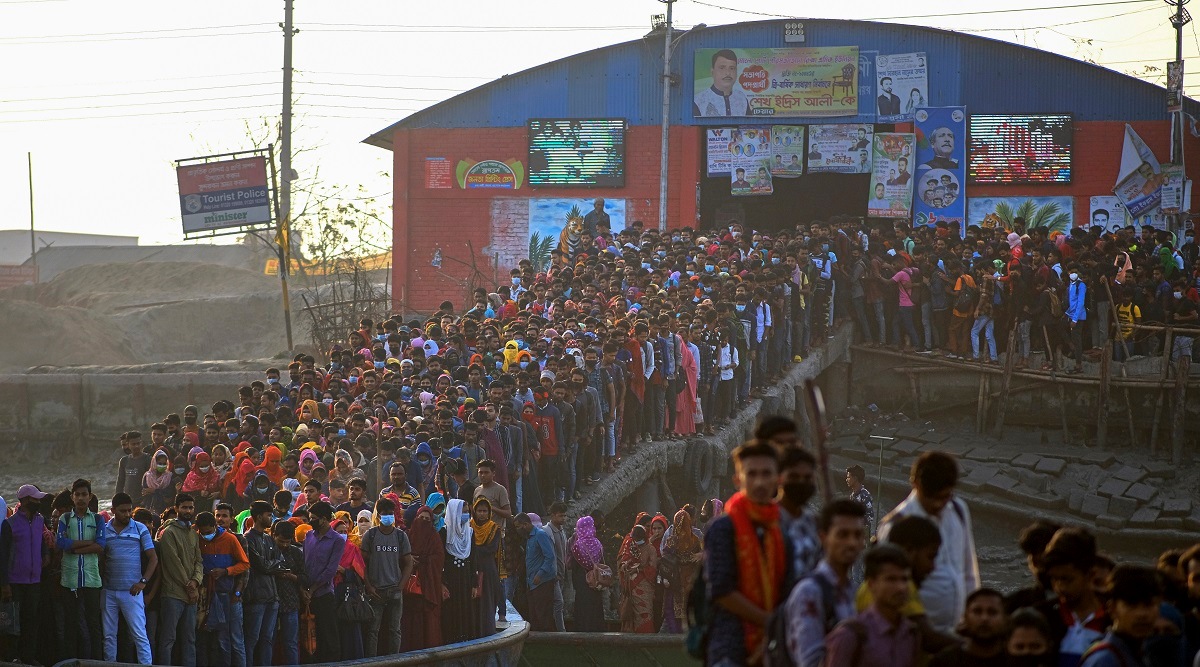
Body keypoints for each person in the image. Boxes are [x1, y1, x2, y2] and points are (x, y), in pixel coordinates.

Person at [704, 440, 789, 666]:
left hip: (777, 645)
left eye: (766, 473)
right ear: (738, 480)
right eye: (751, 474)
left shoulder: (781, 527)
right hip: (731, 646)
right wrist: (770, 622)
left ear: (778, 479)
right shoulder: (723, 528)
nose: (759, 482)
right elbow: (722, 590)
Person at [878, 451, 980, 634]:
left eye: (945, 496)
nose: (938, 504)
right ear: (915, 484)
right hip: (915, 634)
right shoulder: (896, 526)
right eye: (932, 498)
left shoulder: (958, 509)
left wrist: (974, 614)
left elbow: (968, 569)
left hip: (960, 628)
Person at [784, 499, 867, 667]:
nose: (851, 543)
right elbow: (810, 662)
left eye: (857, 535)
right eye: (843, 535)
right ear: (824, 537)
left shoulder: (852, 591)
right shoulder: (809, 592)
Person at [1035, 527, 1108, 666]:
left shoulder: (1112, 618)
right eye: (1055, 579)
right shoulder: (1042, 617)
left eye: (1067, 579)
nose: (1060, 587)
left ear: (1090, 574)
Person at [100, 492, 158, 664]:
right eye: (123, 511)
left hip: (131, 592)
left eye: (129, 511)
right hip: (109, 590)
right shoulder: (104, 529)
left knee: (139, 634)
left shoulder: (140, 528)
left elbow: (153, 558)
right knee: (109, 635)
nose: (127, 515)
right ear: (113, 511)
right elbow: (100, 558)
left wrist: (143, 582)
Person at [56, 478, 104, 660]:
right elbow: (61, 543)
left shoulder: (98, 519)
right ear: (72, 497)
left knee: (94, 625)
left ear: (90, 497)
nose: (81, 498)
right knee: (71, 624)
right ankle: (71, 661)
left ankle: (97, 662)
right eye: (78, 495)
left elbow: (101, 546)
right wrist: (87, 543)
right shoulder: (65, 518)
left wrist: (74, 548)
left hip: (91, 579)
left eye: (85, 494)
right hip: (70, 579)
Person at [1080, 565, 1164, 667]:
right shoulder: (1106, 660)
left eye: (1148, 604)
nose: (1142, 614)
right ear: (1112, 608)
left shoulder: (1143, 652)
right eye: (1131, 605)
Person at [360, 496, 412, 656]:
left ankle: (394, 661)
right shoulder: (371, 535)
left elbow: (409, 563)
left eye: (390, 513)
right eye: (384, 513)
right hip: (375, 592)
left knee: (394, 630)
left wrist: (400, 586)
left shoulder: (400, 536)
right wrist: (368, 586)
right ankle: (372, 662)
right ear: (378, 515)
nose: (388, 516)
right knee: (373, 631)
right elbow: (362, 564)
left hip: (394, 591)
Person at [157, 493, 204, 667]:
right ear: (176, 508)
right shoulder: (168, 532)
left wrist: (196, 581)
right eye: (184, 507)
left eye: (190, 507)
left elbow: (199, 561)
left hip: (191, 594)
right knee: (168, 638)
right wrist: (190, 587)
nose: (188, 510)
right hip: (173, 593)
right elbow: (173, 563)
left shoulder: (193, 533)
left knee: (189, 639)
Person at [303, 500, 345, 663]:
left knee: (329, 637)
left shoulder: (337, 540)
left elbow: (330, 570)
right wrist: (304, 590)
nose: (311, 521)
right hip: (307, 594)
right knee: (311, 638)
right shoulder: (308, 536)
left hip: (323, 594)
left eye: (314, 518)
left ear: (325, 519)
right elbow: (304, 564)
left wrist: (312, 590)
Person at [242, 500, 282, 666]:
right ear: (259, 517)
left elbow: (280, 561)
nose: (271, 518)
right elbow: (262, 565)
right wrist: (273, 566)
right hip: (256, 597)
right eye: (268, 515)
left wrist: (271, 565)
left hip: (272, 598)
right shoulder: (247, 539)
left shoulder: (268, 538)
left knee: (267, 639)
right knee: (252, 639)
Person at [401, 506, 444, 651]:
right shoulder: (407, 535)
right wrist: (409, 559)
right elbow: (400, 556)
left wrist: (424, 561)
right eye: (421, 518)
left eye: (427, 519)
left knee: (426, 621)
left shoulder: (434, 537)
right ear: (415, 519)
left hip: (427, 586)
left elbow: (438, 558)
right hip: (408, 587)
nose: (424, 521)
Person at [928, 588, 1009, 667]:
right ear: (965, 618)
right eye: (977, 611)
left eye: (992, 612)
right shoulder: (943, 662)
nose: (984, 618)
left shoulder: (1016, 660)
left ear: (1005, 619)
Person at [270, 520, 307, 667]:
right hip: (270, 601)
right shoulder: (268, 550)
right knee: (268, 641)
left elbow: (305, 577)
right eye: (281, 541)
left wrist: (292, 577)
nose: (285, 545)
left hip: (291, 602)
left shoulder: (296, 552)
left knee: (291, 642)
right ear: (274, 535)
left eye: (287, 541)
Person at [660, 507, 702, 633]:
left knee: (673, 608)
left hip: (677, 578)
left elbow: (665, 555)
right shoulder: (695, 539)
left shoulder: (673, 539)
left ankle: (673, 634)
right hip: (686, 578)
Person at [442, 497, 477, 642]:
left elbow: (474, 559)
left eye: (467, 512)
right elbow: (441, 561)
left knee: (466, 608)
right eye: (463, 512)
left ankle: (465, 638)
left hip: (465, 578)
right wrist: (442, 583)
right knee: (452, 610)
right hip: (451, 578)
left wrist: (474, 584)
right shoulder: (444, 533)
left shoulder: (469, 533)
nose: (466, 515)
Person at [515, 512, 557, 632]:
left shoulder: (540, 535)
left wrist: (540, 574)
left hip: (542, 582)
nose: (518, 529)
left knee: (543, 615)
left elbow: (550, 557)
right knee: (534, 615)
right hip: (532, 582)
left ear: (526, 524)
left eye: (518, 526)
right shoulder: (529, 538)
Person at [569, 515, 607, 632]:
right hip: (596, 581)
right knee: (596, 606)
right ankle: (597, 630)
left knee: (583, 607)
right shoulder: (598, 544)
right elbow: (602, 562)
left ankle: (582, 630)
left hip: (582, 581)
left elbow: (572, 566)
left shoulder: (577, 546)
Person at [470, 497, 501, 636]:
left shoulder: (494, 528)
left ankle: (487, 631)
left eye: (485, 511)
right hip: (472, 568)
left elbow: (491, 549)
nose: (482, 514)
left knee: (487, 600)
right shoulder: (469, 527)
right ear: (474, 511)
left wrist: (473, 549)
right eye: (479, 511)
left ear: (489, 512)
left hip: (488, 569)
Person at [694, 49, 750, 117]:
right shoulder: (698, 100)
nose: (728, 73)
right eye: (722, 68)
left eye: (732, 68)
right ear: (712, 72)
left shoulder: (742, 99)